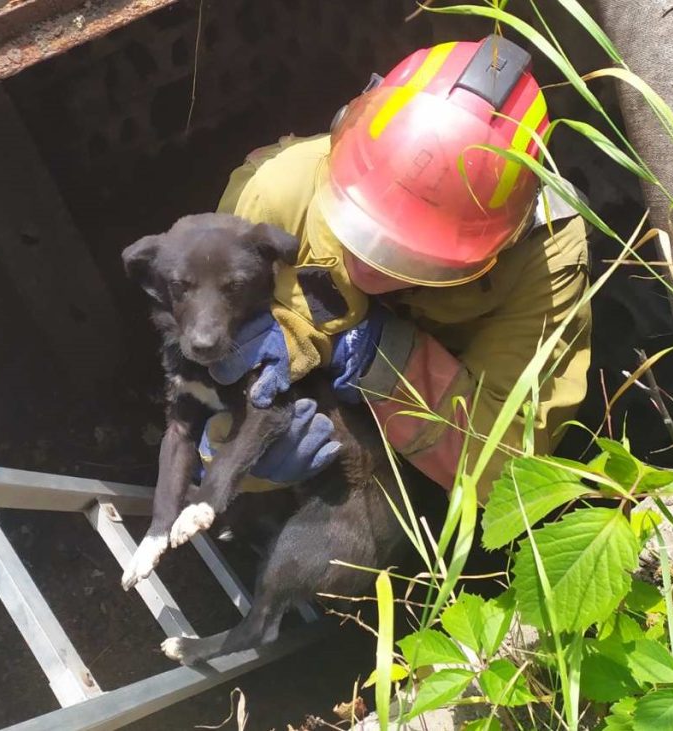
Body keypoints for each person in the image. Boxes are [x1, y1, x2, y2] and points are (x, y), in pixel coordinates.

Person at [201, 35, 591, 500]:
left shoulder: (546, 260)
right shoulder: (278, 188)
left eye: (415, 255)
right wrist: (221, 453)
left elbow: (511, 473)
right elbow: (213, 347)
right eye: (367, 222)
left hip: (426, 438)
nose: (374, 262)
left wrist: (384, 358)